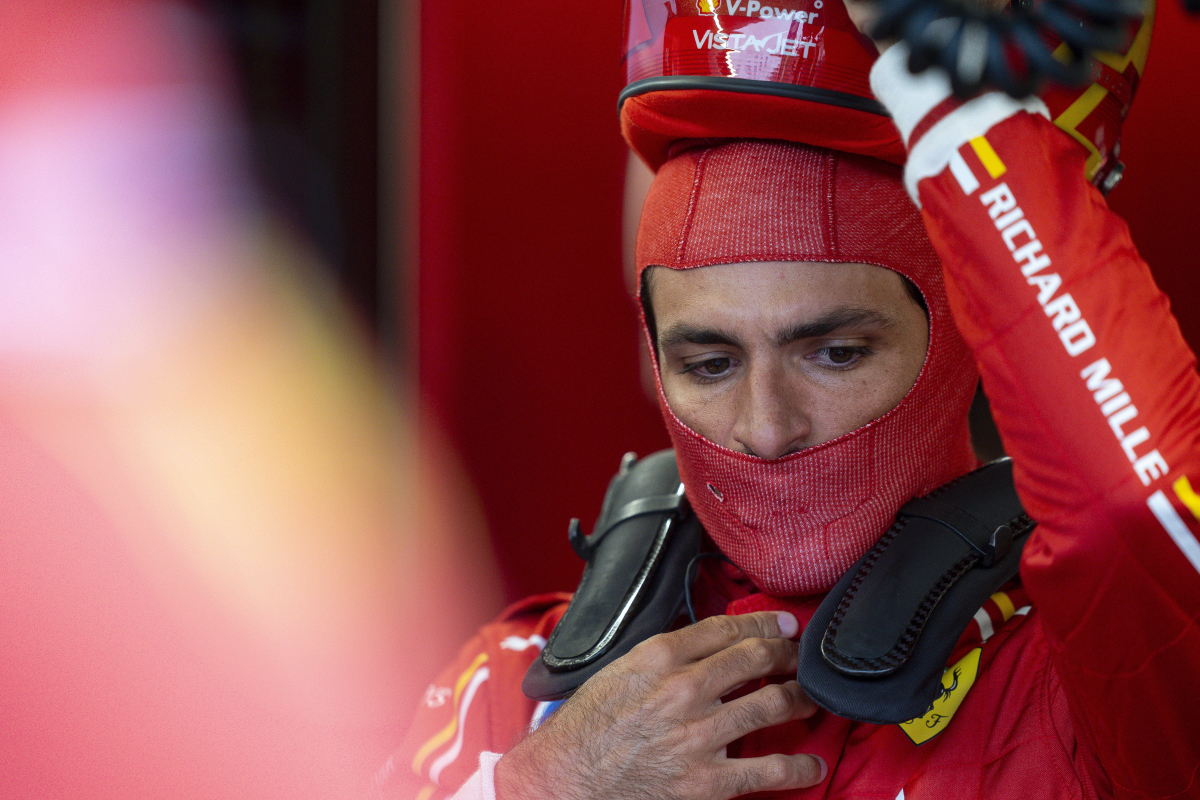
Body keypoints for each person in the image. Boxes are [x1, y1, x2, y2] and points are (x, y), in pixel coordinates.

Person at [386, 2, 1200, 797]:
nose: (766, 427)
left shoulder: (1082, 686)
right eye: (709, 363)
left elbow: (1138, 506)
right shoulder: (513, 698)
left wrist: (961, 109)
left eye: (837, 353)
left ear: (975, 335)